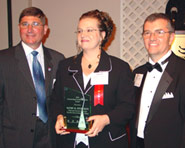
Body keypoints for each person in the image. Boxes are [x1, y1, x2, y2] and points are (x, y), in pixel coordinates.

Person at [50, 9, 135, 148]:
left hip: (107, 140)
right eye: (80, 31)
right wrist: (59, 117)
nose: (83, 34)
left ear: (102, 35)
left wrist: (106, 119)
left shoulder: (119, 68)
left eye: (89, 30)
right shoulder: (65, 66)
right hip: (70, 141)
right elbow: (55, 101)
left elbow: (128, 107)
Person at [129, 13, 185, 148]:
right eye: (147, 33)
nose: (152, 38)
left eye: (159, 32)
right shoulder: (137, 73)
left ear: (171, 37)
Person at [0, 7, 65, 148]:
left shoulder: (58, 59)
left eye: (35, 24)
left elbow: (61, 98)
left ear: (45, 29)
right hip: (15, 137)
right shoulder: (3, 60)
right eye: (24, 24)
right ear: (19, 28)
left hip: (50, 135)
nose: (29, 29)